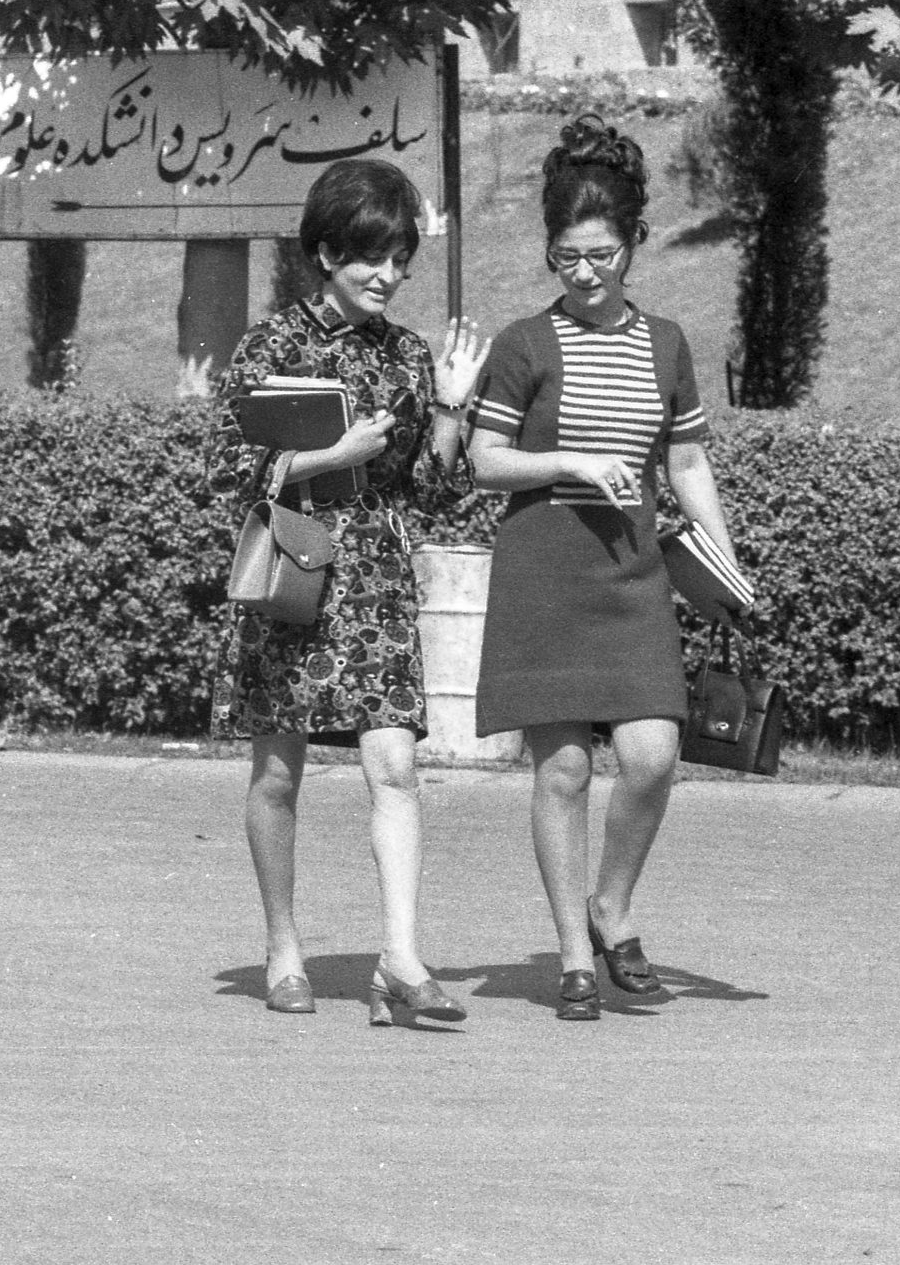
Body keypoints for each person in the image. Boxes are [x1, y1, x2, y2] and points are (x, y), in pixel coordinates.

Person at [466, 114, 741, 1022]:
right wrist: (572, 465)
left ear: (636, 245)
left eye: (601, 255)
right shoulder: (522, 343)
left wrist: (727, 567)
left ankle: (611, 903)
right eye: (565, 257)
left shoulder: (666, 343)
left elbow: (688, 463)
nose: (583, 274)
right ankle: (578, 954)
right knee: (563, 772)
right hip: (543, 569)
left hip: (631, 574)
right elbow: (483, 460)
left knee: (654, 757)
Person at [211, 158, 491, 1026]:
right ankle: (284, 947)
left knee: (396, 764)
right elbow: (225, 473)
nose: (388, 276)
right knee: (277, 772)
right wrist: (334, 457)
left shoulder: (406, 354)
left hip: (373, 583)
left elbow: (436, 497)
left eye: (401, 259)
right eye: (372, 257)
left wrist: (447, 411)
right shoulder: (268, 349)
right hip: (294, 571)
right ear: (327, 252)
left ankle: (399, 958)